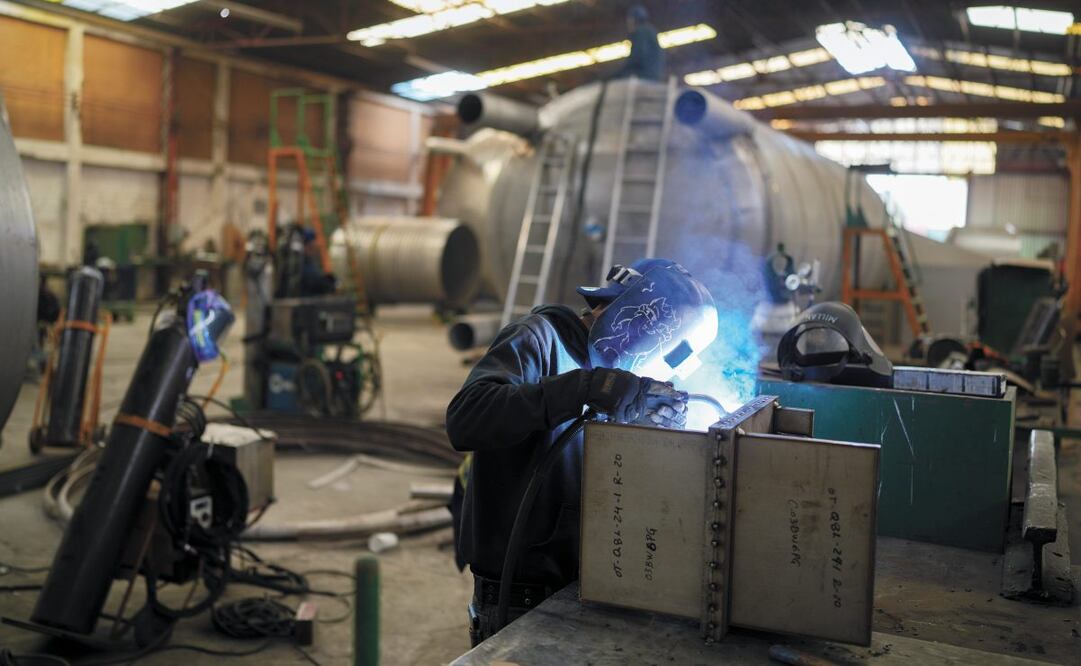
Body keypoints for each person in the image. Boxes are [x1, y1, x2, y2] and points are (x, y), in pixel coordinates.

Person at [446, 258, 718, 645]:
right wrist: (587, 387)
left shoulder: (616, 380)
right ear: (633, 313)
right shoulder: (537, 338)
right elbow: (465, 417)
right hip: (517, 598)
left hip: (582, 591)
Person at [612, 4, 666, 81]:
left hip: (644, 75)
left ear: (632, 20)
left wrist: (619, 73)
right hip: (656, 76)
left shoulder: (640, 32)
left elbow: (637, 55)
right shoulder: (651, 31)